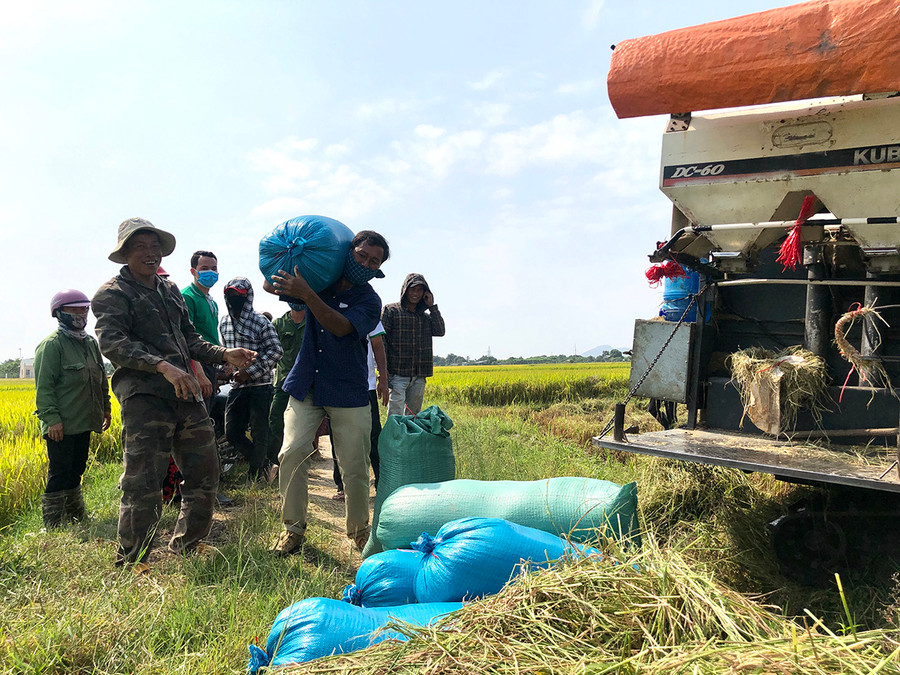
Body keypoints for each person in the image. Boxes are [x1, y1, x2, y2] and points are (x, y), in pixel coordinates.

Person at [92, 217, 256, 565]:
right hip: (145, 399)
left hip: (188, 396)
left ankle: (188, 543)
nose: (150, 253)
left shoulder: (169, 291)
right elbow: (112, 343)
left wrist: (224, 353)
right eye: (141, 247)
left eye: (155, 247)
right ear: (124, 253)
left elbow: (190, 337)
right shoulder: (112, 294)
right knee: (143, 482)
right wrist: (162, 366)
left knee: (205, 472)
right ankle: (133, 560)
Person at [268, 230, 389, 555]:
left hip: (348, 390)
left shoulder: (368, 300)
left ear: (378, 269)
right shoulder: (320, 279)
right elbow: (270, 284)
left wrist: (308, 295)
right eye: (361, 255)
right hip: (306, 384)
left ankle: (359, 532)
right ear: (349, 252)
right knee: (291, 453)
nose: (364, 263)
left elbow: (339, 326)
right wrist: (294, 259)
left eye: (373, 261)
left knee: (354, 467)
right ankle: (292, 531)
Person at [33, 289, 112, 529]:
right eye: (74, 309)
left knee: (77, 468)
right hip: (62, 423)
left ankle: (75, 516)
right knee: (59, 471)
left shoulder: (90, 343)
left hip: (85, 419)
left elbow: (100, 379)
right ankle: (54, 524)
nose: (81, 313)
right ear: (59, 313)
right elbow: (44, 388)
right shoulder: (51, 346)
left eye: (84, 309)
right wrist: (52, 420)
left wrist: (106, 407)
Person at [180, 250, 232, 505]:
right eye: (205, 267)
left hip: (210, 367)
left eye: (214, 267)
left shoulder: (209, 300)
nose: (211, 272)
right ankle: (199, 491)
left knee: (209, 424)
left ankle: (208, 488)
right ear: (193, 271)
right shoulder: (187, 297)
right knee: (198, 430)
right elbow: (187, 340)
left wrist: (224, 362)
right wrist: (199, 372)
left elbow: (210, 338)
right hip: (196, 368)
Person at [219, 277, 283, 483]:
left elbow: (276, 351)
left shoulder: (260, 322)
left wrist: (250, 371)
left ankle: (255, 476)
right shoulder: (224, 322)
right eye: (230, 294)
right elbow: (226, 353)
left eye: (239, 295)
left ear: (248, 297)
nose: (234, 298)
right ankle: (265, 465)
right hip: (237, 387)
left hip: (260, 386)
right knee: (232, 433)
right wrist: (227, 370)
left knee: (259, 432)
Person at [332, 322, 389, 501]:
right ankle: (342, 486)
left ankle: (382, 484)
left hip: (366, 385)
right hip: (337, 384)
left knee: (373, 435)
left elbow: (378, 347)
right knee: (339, 436)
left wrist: (384, 380)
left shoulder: (369, 312)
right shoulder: (329, 308)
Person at [381, 273, 445, 416]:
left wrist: (432, 307)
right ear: (405, 290)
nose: (415, 294)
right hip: (397, 373)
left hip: (419, 375)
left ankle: (409, 439)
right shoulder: (391, 311)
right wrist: (383, 370)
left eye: (419, 290)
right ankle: (393, 438)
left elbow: (440, 331)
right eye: (412, 289)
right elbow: (381, 341)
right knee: (395, 415)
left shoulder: (426, 318)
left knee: (413, 416)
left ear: (425, 293)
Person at [268, 303, 306, 468]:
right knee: (275, 420)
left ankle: (299, 461)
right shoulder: (278, 323)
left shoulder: (314, 322)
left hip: (305, 382)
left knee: (303, 424)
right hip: (283, 381)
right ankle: (278, 461)